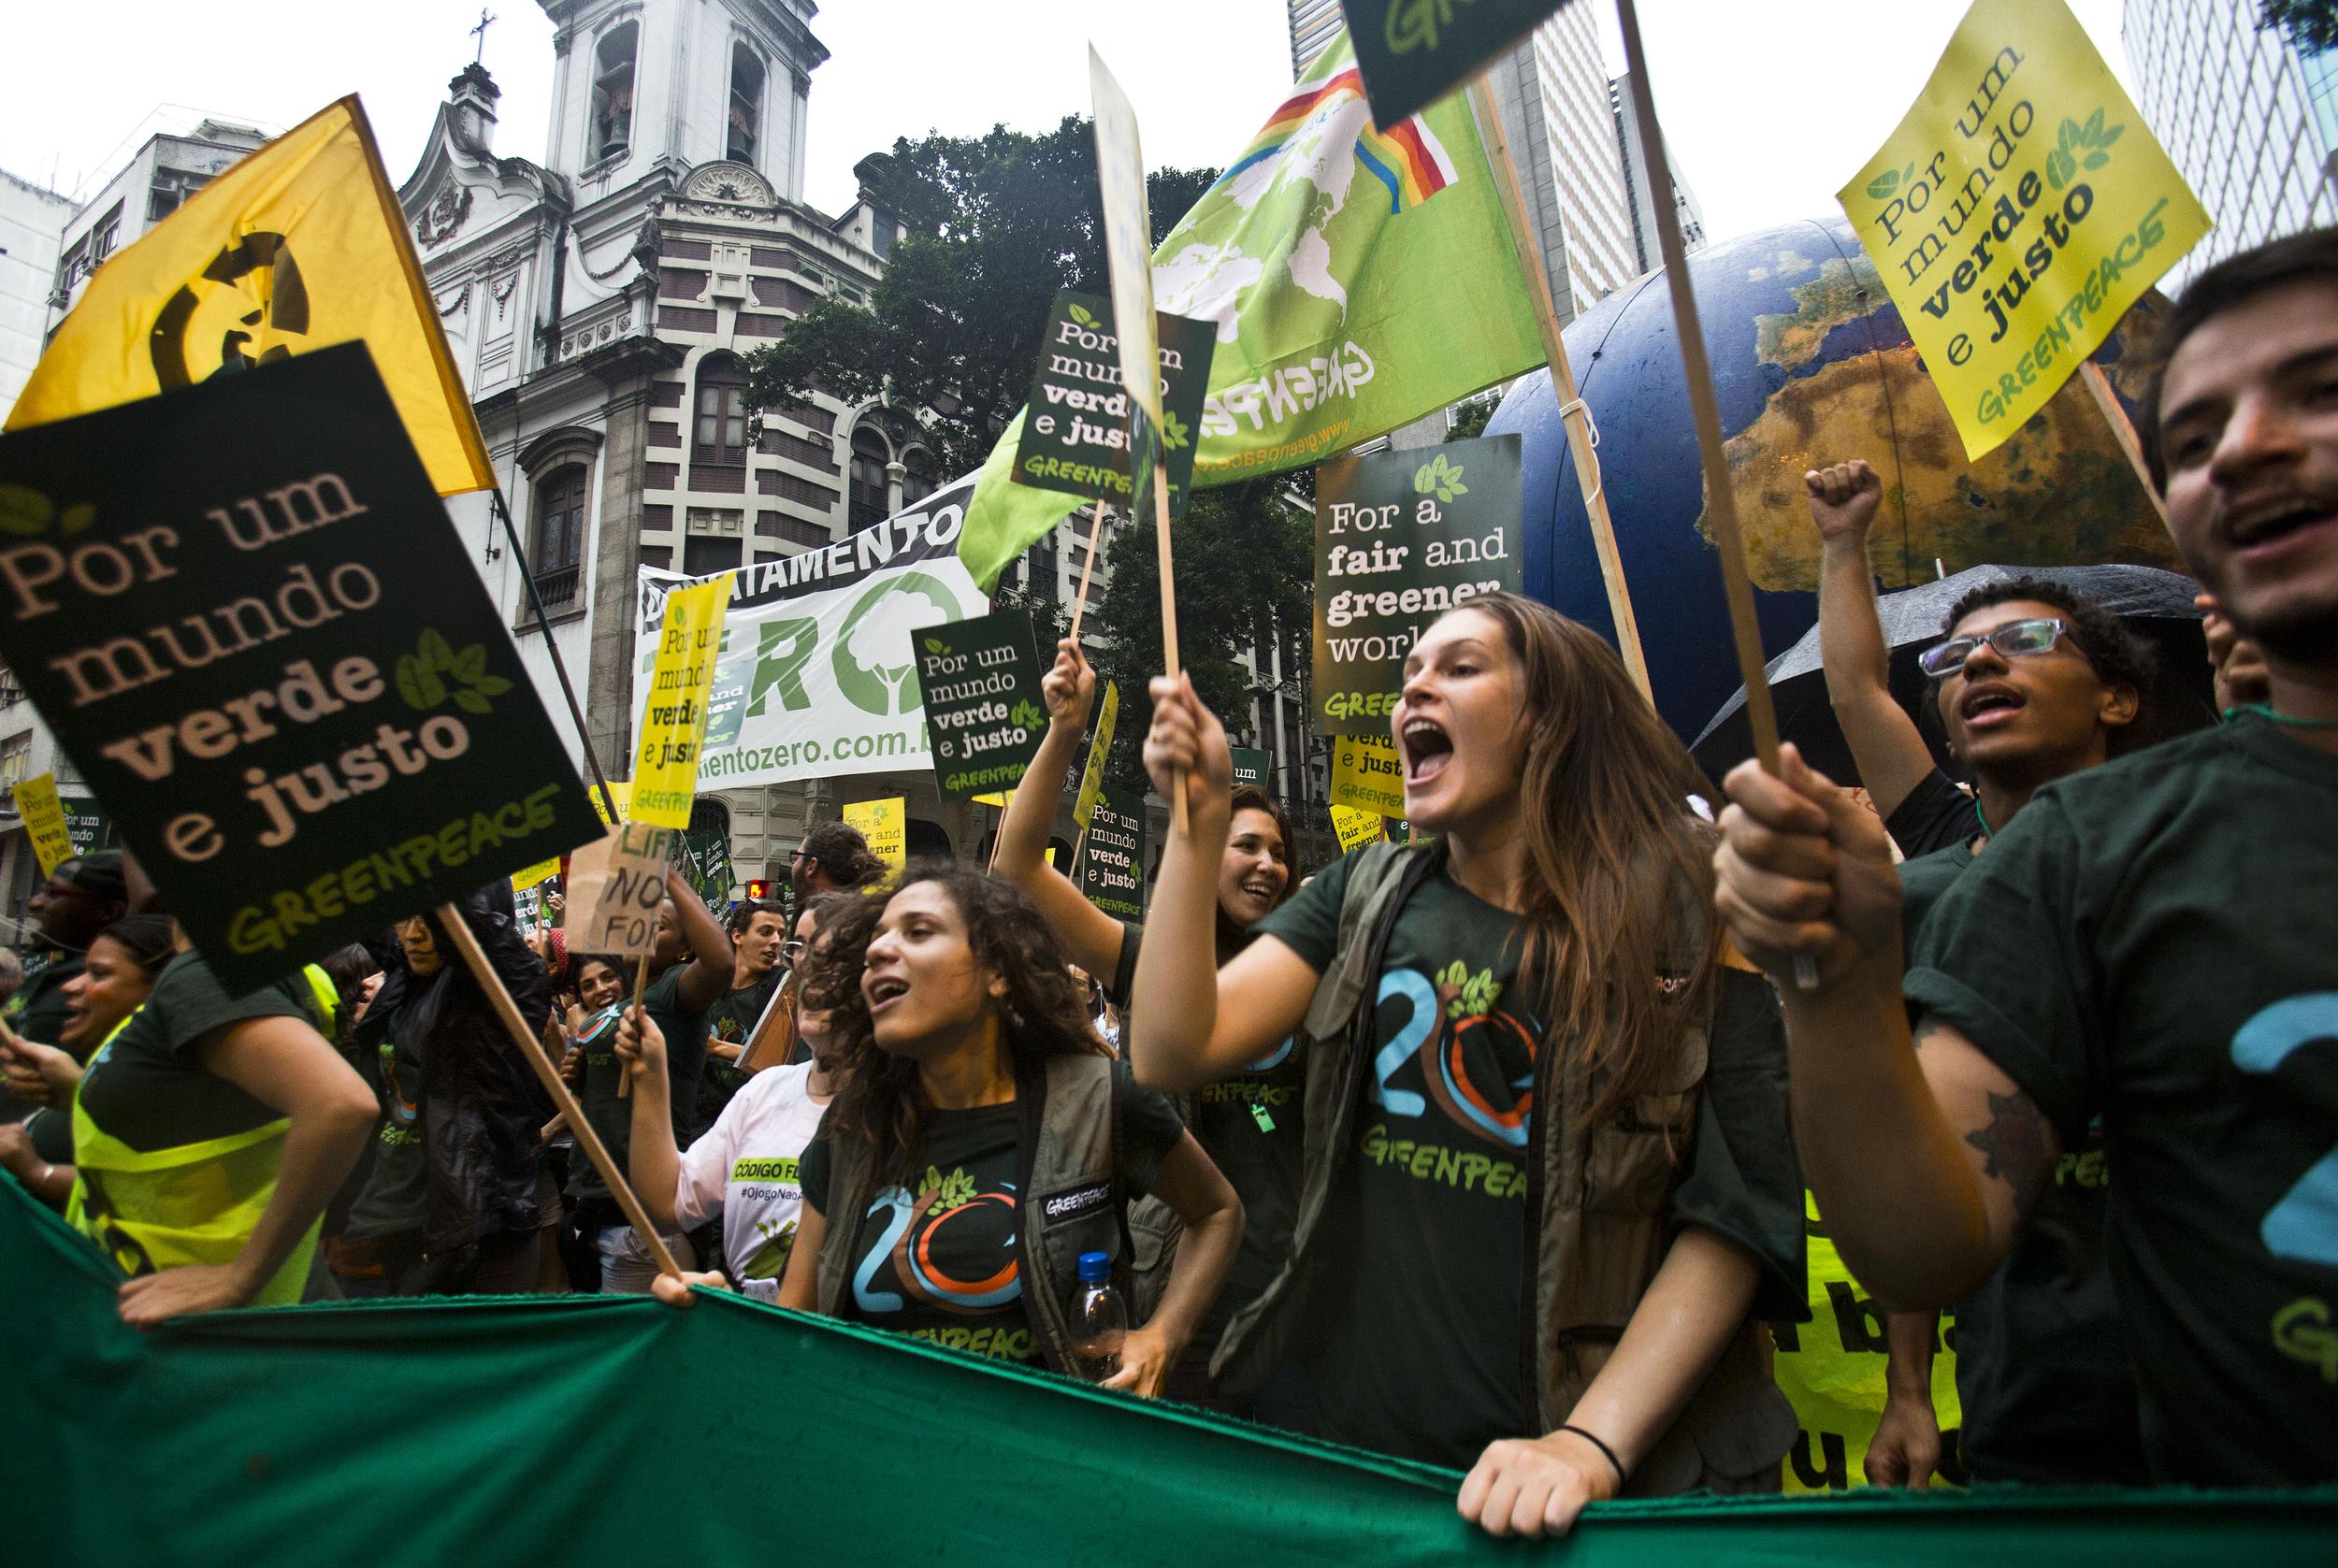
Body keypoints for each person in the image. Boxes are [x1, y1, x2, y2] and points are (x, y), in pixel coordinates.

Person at [1711, 226, 2338, 1487]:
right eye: (2197, 436)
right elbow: (1925, 1236)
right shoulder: (2037, 850)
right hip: (2069, 1437)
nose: (2246, 447)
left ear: (2121, 696)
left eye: (2319, 391)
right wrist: (1832, 976)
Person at [1131, 593, 1805, 1537]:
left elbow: (1732, 1219)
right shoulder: (1358, 897)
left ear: (1549, 718)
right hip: (1366, 1462)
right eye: (1409, 670)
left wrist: (1587, 1445)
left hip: (1601, 1488)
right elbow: (1169, 1049)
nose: (1412, 685)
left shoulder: (1698, 909)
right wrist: (1195, 826)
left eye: (1458, 667)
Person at [1807, 458, 2163, 1489]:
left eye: (2025, 641)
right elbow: (1855, 688)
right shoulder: (1926, 872)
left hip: (2225, 1380)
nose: (1977, 665)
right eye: (1957, 655)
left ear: (2120, 697)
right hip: (2031, 1393)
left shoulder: (2189, 844)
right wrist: (1909, 1388)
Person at [734, 864, 1242, 1393]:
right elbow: (795, 1332)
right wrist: (711, 1312)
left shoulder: (1097, 1100)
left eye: (918, 932)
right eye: (877, 940)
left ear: (997, 970)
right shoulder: (849, 1131)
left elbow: (1217, 1212)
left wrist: (1163, 1334)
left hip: (1052, 1455)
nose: (879, 952)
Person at [995, 635, 1299, 1403]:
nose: (1267, 863)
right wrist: (1067, 729)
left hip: (1307, 1294)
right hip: (1190, 1301)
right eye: (1245, 844)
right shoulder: (1153, 965)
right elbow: (1018, 870)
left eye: (1279, 850)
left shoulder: (1321, 973)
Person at [36, 859, 375, 1324]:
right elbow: (205, 1117)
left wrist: (240, 1278)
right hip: (216, 1315)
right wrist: (81, 1097)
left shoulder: (205, 972)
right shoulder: (260, 966)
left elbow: (340, 1106)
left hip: (204, 1324)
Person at [627, 892, 853, 1301]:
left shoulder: (898, 1105)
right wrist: (650, 1076)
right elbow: (668, 1201)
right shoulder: (766, 1091)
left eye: (831, 948)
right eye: (799, 949)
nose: (806, 964)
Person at [329, 900, 558, 1297]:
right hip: (386, 1225)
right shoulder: (406, 980)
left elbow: (485, 935)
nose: (414, 933)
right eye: (406, 917)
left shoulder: (504, 986)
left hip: (473, 1228)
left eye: (431, 918)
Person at [567, 873, 732, 1291]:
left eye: (656, 927)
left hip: (636, 1212)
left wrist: (668, 876)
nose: (638, 932)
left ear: (683, 948)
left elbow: (721, 964)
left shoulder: (673, 991)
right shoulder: (623, 1003)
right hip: (595, 1196)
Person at [0, 914, 175, 1210]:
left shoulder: (184, 1091)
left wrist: (40, 1172)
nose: (71, 987)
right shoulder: (99, 1077)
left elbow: (165, 1194)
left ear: (164, 989)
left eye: (99, 974)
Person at [1, 853, 128, 1135]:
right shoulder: (49, 976)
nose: (35, 904)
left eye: (54, 894)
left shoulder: (107, 995)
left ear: (108, 911)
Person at [697, 899, 790, 1126]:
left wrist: (717, 1047)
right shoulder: (705, 985)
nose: (776, 941)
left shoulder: (783, 990)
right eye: (766, 932)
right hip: (702, 1121)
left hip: (754, 1122)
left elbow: (780, 1065)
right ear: (738, 936)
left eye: (780, 933)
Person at [787, 821, 887, 904]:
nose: (794, 865)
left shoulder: (811, 920)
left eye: (798, 856)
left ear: (811, 866)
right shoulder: (870, 916)